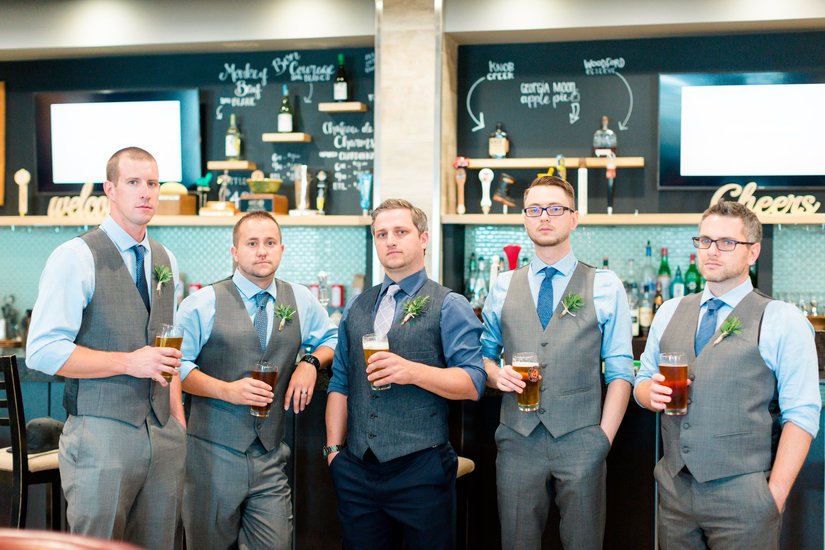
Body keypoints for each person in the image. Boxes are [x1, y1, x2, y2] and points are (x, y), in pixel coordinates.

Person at [634, 200, 821, 550]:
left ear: (753, 252)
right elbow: (642, 382)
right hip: (675, 492)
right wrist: (649, 393)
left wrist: (773, 498)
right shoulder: (669, 311)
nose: (712, 251)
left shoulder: (783, 319)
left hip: (745, 499)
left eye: (726, 242)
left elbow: (803, 414)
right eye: (704, 241)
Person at [26, 146, 186, 549]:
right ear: (109, 189)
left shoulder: (167, 260)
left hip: (163, 435)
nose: (146, 192)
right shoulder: (75, 256)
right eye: (133, 182)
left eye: (153, 183)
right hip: (101, 435)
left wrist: (178, 426)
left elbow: (170, 355)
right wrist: (128, 362)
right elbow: (42, 351)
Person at [480, 175, 634, 550]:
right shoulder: (502, 286)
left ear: (573, 218)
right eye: (534, 210)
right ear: (525, 219)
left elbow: (620, 370)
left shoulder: (605, 284)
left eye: (554, 209)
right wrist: (493, 375)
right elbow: (482, 355)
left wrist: (602, 439)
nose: (544, 217)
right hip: (517, 437)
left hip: (582, 438)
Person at [325, 198, 487, 550]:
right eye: (381, 234)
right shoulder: (357, 305)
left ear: (424, 238)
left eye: (401, 232)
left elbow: (473, 383)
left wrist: (411, 371)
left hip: (421, 468)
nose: (390, 241)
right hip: (356, 468)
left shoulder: (449, 304)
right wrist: (334, 453)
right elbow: (340, 382)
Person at [177, 211, 336, 550]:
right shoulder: (202, 303)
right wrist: (226, 390)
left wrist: (310, 361)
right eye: (252, 243)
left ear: (281, 249)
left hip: (270, 454)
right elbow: (175, 367)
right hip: (210, 455)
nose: (262, 251)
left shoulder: (300, 300)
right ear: (235, 251)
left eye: (269, 243)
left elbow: (333, 337)